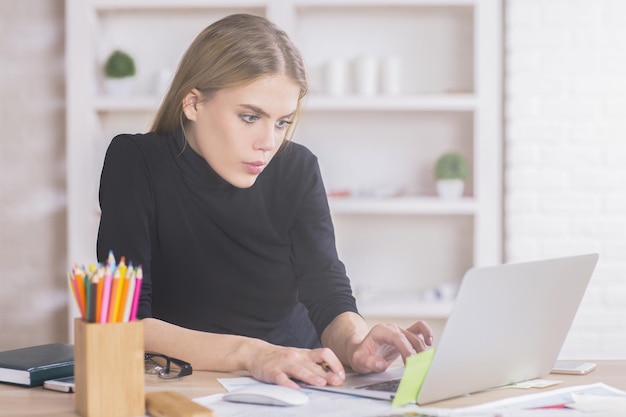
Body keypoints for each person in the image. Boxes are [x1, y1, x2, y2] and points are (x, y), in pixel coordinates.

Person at [96, 13, 433, 389]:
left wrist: (356, 345)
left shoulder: (298, 168)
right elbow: (123, 323)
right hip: (185, 385)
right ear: (193, 103)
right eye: (249, 117)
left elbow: (327, 290)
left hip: (296, 385)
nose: (268, 143)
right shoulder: (136, 161)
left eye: (281, 122)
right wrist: (253, 354)